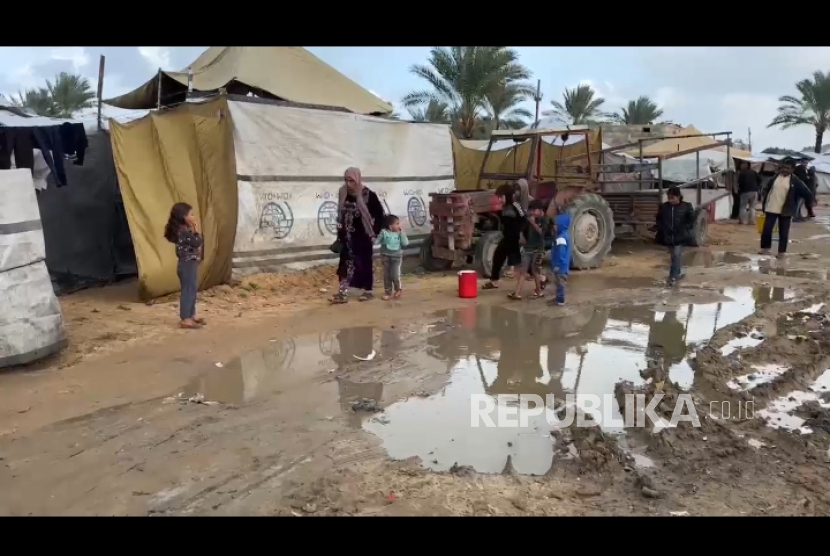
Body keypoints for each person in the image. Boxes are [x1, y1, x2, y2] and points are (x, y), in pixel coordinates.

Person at [332, 167, 385, 304]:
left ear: (357, 179)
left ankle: (367, 291)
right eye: (346, 180)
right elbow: (340, 213)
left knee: (364, 263)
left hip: (363, 236)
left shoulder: (368, 195)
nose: (348, 184)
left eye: (351, 180)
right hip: (347, 236)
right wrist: (340, 231)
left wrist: (374, 232)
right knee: (344, 264)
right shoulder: (343, 192)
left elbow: (379, 214)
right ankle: (342, 293)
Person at [760, 158, 813, 259]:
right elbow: (767, 188)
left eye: (788, 168)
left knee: (783, 232)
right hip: (771, 208)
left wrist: (802, 202)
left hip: (786, 210)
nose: (784, 170)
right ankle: (765, 249)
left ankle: (781, 252)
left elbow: (807, 193)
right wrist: (765, 196)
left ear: (792, 170)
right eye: (783, 167)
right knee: (767, 230)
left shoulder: (795, 180)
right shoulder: (775, 177)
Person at [163, 202, 205, 329]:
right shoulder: (185, 232)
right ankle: (186, 318)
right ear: (184, 217)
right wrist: (196, 230)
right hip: (187, 264)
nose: (193, 217)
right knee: (188, 290)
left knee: (191, 288)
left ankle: (190, 315)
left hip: (187, 263)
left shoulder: (182, 230)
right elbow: (197, 242)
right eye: (191, 214)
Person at [483, 183, 526, 290]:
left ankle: (541, 278)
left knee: (522, 263)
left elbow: (524, 219)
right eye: (498, 197)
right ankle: (494, 281)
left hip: (514, 238)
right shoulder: (504, 208)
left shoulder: (516, 206)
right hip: (507, 238)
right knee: (498, 256)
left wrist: (521, 234)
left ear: (507, 196)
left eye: (501, 197)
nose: (500, 200)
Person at [508, 199, 550, 300]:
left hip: (538, 248)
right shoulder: (529, 219)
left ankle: (539, 291)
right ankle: (517, 293)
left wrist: (533, 223)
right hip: (528, 248)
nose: (532, 212)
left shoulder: (544, 219)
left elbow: (541, 232)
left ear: (540, 210)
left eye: (534, 210)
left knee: (535, 270)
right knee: (523, 271)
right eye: (531, 210)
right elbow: (522, 230)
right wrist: (522, 236)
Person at [655, 186, 695, 286]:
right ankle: (679, 271)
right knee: (673, 256)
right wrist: (663, 228)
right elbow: (658, 218)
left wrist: (685, 228)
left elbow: (691, 219)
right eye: (669, 198)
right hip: (668, 237)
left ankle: (672, 277)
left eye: (673, 198)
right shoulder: (664, 207)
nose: (671, 200)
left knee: (676, 255)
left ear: (679, 196)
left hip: (680, 236)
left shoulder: (686, 206)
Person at [376, 214, 409, 300]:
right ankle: (388, 292)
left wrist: (402, 233)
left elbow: (405, 243)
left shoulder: (399, 233)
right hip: (385, 257)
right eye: (397, 224)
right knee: (387, 275)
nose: (399, 225)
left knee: (395, 275)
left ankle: (398, 289)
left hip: (396, 258)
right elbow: (376, 242)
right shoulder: (384, 232)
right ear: (390, 226)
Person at [549, 210, 572, 305]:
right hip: (562, 266)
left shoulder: (561, 238)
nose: (554, 227)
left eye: (556, 225)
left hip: (560, 267)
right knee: (558, 283)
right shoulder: (563, 235)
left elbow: (561, 254)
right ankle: (558, 299)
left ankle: (560, 301)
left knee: (560, 283)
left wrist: (558, 265)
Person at [736, 160, 760, 225]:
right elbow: (759, 180)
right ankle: (751, 221)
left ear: (746, 165)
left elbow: (739, 183)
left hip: (745, 191)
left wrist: (739, 190)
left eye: (742, 164)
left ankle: (741, 221)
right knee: (752, 207)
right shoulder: (754, 172)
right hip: (754, 191)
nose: (741, 166)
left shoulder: (742, 173)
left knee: (743, 207)